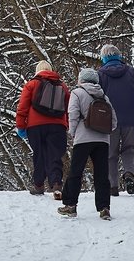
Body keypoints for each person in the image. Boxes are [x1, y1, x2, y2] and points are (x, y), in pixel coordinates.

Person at [57, 68, 117, 220]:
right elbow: (114, 121)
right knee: (102, 174)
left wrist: (73, 132)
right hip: (102, 140)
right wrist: (104, 130)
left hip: (83, 138)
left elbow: (73, 114)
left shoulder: (77, 93)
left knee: (76, 172)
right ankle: (104, 208)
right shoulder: (104, 96)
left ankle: (71, 205)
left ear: (81, 80)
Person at [97, 44, 134, 196]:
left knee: (110, 154)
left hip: (109, 120)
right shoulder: (132, 72)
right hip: (132, 117)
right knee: (129, 149)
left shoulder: (100, 75)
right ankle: (129, 174)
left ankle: (112, 186)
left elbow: (96, 97)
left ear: (104, 58)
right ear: (119, 56)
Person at [15, 60, 70, 200]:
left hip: (35, 126)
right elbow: (68, 108)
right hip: (57, 125)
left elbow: (22, 107)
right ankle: (56, 184)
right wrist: (68, 124)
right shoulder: (62, 86)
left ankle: (39, 185)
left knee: (39, 154)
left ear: (37, 71)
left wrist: (21, 126)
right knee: (55, 155)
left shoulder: (31, 84)